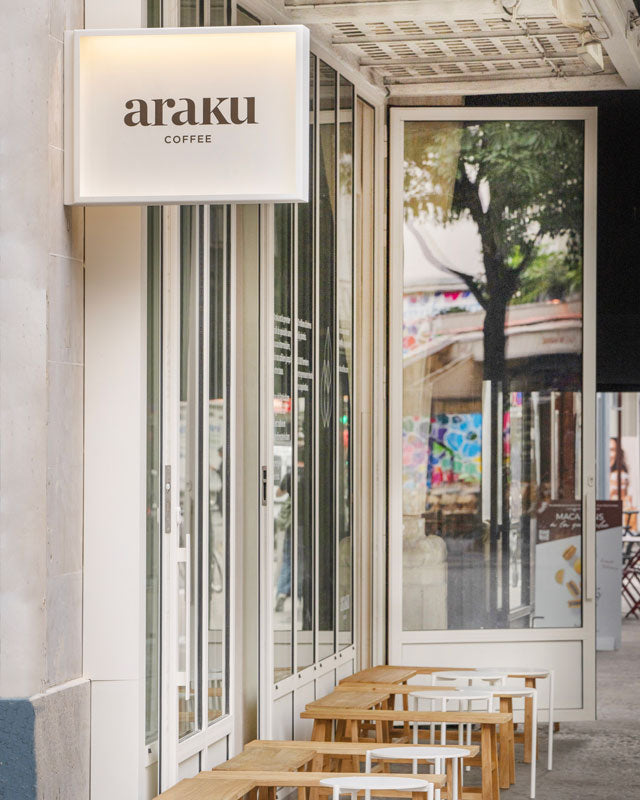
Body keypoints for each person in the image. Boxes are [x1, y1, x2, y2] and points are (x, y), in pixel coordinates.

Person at [274, 471, 292, 612]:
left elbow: (278, 493)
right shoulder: (314, 472)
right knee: (303, 562)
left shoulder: (290, 475)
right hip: (308, 525)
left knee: (287, 560)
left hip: (291, 525)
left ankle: (282, 592)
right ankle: (298, 594)